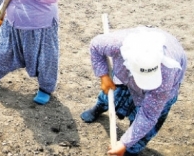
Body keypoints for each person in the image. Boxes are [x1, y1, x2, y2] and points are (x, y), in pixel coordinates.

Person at [80, 26, 187, 156]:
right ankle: (101, 106)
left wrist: (124, 143)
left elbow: (148, 115)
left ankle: (130, 148)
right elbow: (95, 46)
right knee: (112, 91)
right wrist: (104, 76)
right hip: (125, 74)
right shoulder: (117, 43)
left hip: (162, 87)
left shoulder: (167, 74)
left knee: (147, 123)